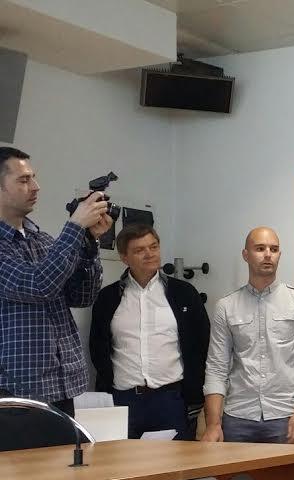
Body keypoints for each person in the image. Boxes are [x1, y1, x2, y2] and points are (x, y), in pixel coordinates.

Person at [0, 146, 112, 416]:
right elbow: (39, 285)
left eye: (34, 178)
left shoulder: (43, 240)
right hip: (16, 391)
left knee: (64, 447)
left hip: (62, 385)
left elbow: (81, 296)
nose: (35, 187)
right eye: (24, 180)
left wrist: (89, 241)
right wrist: (75, 226)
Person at [202, 226, 294, 444]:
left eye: (274, 249)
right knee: (234, 470)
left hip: (285, 416)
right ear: (245, 255)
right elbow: (216, 368)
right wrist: (213, 424)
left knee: (288, 470)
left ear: (279, 255)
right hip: (238, 416)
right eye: (260, 248)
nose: (268, 254)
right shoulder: (226, 306)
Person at [90, 224, 210, 440]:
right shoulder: (108, 298)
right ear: (124, 258)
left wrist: (197, 396)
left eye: (153, 247)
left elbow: (202, 344)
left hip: (170, 399)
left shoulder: (184, 293)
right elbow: (97, 348)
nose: (149, 254)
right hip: (123, 400)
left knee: (172, 461)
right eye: (139, 250)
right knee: (122, 460)